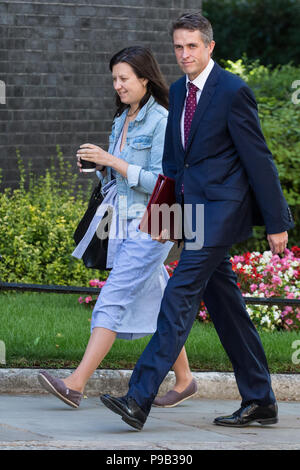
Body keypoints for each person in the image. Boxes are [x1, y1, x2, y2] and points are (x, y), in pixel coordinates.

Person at [100, 13, 295, 430]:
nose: (184, 54)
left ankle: (138, 399)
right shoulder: (176, 90)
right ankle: (261, 400)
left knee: (178, 295)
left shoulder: (232, 91)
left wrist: (276, 221)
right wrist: (165, 214)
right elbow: (174, 163)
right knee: (227, 309)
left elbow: (258, 160)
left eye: (192, 46)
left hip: (221, 213)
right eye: (178, 47)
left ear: (209, 47)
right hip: (191, 212)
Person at [37, 46, 197, 409]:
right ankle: (185, 379)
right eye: (114, 79)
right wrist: (100, 166)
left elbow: (164, 179)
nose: (118, 85)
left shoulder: (163, 121)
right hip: (122, 218)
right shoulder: (121, 118)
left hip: (154, 220)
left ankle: (75, 383)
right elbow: (120, 174)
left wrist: (113, 160)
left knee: (113, 298)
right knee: (159, 303)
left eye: (124, 78)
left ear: (144, 78)